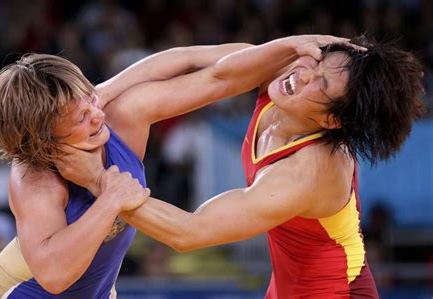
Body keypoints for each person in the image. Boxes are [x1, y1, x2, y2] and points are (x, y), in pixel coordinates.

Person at [0, 35, 347, 298]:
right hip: (20, 289)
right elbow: (55, 277)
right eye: (80, 118)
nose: (97, 115)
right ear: (44, 140)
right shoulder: (35, 181)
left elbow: (220, 75)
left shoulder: (117, 116)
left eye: (90, 97)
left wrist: (290, 47)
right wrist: (108, 199)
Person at [58, 36, 424, 298]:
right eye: (316, 60)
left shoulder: (310, 171)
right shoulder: (283, 74)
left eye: (322, 83)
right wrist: (102, 92)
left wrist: (95, 179)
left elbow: (189, 233)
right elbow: (187, 59)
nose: (304, 74)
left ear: (331, 121)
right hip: (285, 287)